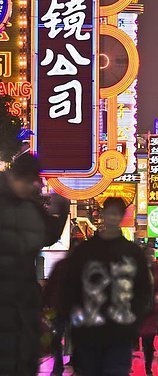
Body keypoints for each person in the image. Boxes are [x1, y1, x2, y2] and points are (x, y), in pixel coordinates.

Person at [63, 197, 152, 376]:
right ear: (102, 215)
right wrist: (73, 317)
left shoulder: (132, 253)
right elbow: (70, 285)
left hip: (120, 332)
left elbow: (143, 289)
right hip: (88, 332)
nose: (112, 218)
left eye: (116, 214)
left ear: (121, 217)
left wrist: (134, 320)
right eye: (109, 213)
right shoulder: (85, 251)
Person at [0, 153, 69, 376]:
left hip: (21, 306)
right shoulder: (28, 208)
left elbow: (47, 234)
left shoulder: (29, 207)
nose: (37, 186)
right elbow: (46, 234)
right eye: (34, 181)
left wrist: (61, 212)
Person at [42, 239, 81, 376]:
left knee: (56, 338)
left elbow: (50, 286)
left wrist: (45, 303)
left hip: (62, 308)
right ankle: (75, 364)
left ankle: (60, 366)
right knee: (76, 338)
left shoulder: (62, 265)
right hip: (74, 309)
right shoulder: (81, 268)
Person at [141, 245, 158, 376]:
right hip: (139, 312)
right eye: (148, 254)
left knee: (149, 342)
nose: (150, 256)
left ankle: (148, 366)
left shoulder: (157, 271)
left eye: (151, 254)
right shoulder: (138, 271)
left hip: (151, 312)